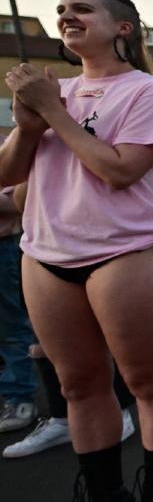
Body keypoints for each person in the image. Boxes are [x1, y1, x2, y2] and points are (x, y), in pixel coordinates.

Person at [0, 0, 153, 502]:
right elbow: (8, 173)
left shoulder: (151, 93)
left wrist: (54, 111)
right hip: (47, 255)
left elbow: (118, 171)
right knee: (80, 388)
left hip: (125, 254)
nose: (66, 17)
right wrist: (30, 125)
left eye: (81, 9)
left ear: (122, 27)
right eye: (61, 11)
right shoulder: (53, 94)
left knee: (146, 383)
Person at [0, 184, 37, 436]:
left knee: (9, 326)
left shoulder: (7, 145)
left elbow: (18, 202)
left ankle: (19, 398)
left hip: (3, 245)